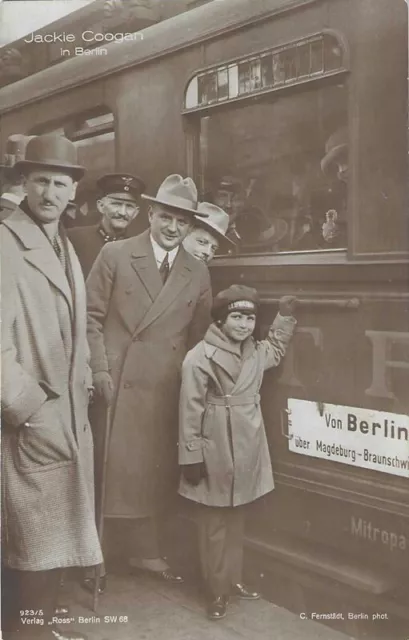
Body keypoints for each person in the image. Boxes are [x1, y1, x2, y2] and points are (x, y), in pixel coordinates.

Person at [86, 174, 212, 590]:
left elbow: (197, 336)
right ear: (152, 214)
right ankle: (93, 560)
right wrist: (100, 370)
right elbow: (89, 318)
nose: (173, 228)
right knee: (107, 472)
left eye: (182, 221)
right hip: (118, 381)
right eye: (166, 217)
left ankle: (143, 551)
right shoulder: (117, 255)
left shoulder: (196, 271)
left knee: (150, 474)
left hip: (164, 386)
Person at [1, 134, 103, 640]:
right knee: (33, 542)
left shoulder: (61, 243)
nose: (49, 192)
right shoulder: (5, 242)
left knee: (52, 536)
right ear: (23, 184)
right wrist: (27, 406)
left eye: (60, 183)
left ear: (72, 192)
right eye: (39, 180)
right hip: (33, 420)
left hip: (63, 417)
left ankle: (38, 632)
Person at [178, 285, 297, 621]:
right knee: (214, 521)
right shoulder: (200, 357)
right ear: (221, 319)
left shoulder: (255, 351)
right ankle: (215, 591)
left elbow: (274, 349)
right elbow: (190, 409)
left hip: (247, 443)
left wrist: (285, 318)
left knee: (236, 517)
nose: (244, 324)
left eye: (249, 318)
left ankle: (232, 580)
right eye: (236, 317)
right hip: (214, 443)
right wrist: (191, 456)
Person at [68, 173, 145, 277]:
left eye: (129, 206)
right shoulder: (74, 239)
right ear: (101, 206)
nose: (122, 212)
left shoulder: (139, 249)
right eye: (116, 204)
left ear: (136, 213)